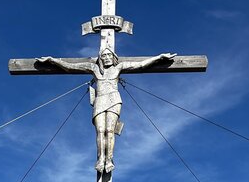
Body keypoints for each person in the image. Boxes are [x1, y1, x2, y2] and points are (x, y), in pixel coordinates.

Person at [37, 49, 176, 173]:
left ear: (114, 57)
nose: (107, 57)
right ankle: (100, 158)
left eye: (109, 55)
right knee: (100, 130)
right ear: (100, 58)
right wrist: (53, 60)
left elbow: (140, 64)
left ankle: (109, 159)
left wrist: (158, 57)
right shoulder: (94, 68)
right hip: (100, 100)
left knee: (109, 130)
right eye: (104, 55)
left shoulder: (119, 67)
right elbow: (71, 67)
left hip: (114, 100)